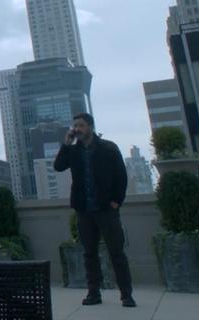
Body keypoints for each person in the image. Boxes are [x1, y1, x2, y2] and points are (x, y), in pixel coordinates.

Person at [53, 113, 135, 308]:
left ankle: (126, 294)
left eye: (81, 125)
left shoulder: (108, 148)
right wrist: (66, 144)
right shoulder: (74, 151)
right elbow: (58, 167)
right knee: (89, 254)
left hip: (106, 209)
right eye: (75, 126)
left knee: (117, 253)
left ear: (90, 126)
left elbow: (120, 176)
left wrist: (116, 201)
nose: (77, 129)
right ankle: (93, 292)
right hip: (84, 211)